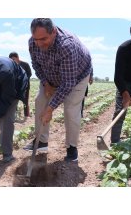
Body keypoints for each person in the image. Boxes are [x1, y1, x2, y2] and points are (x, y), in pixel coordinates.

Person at [23, 18, 92, 162]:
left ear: (53, 32)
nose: (39, 43)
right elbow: (36, 65)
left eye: (43, 39)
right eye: (36, 39)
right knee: (40, 100)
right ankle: (41, 141)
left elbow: (68, 83)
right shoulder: (33, 43)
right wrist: (45, 83)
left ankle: (72, 148)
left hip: (77, 76)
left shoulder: (67, 45)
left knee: (70, 110)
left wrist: (50, 109)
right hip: (51, 76)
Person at [9, 52, 32, 117]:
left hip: (25, 86)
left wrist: (23, 79)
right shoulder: (11, 65)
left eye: (13, 59)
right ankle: (14, 114)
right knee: (14, 101)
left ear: (17, 58)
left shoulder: (25, 64)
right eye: (11, 60)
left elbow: (29, 74)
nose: (12, 61)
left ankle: (26, 115)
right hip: (15, 86)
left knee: (25, 100)